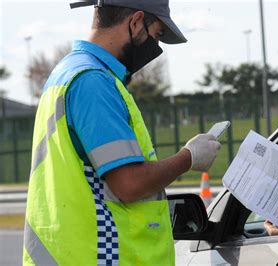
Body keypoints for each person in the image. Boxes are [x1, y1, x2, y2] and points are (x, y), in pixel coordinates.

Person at [23, 0, 221, 265]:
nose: (157, 46)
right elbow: (129, 184)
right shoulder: (93, 82)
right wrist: (189, 157)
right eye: (157, 34)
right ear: (136, 22)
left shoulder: (66, 74)